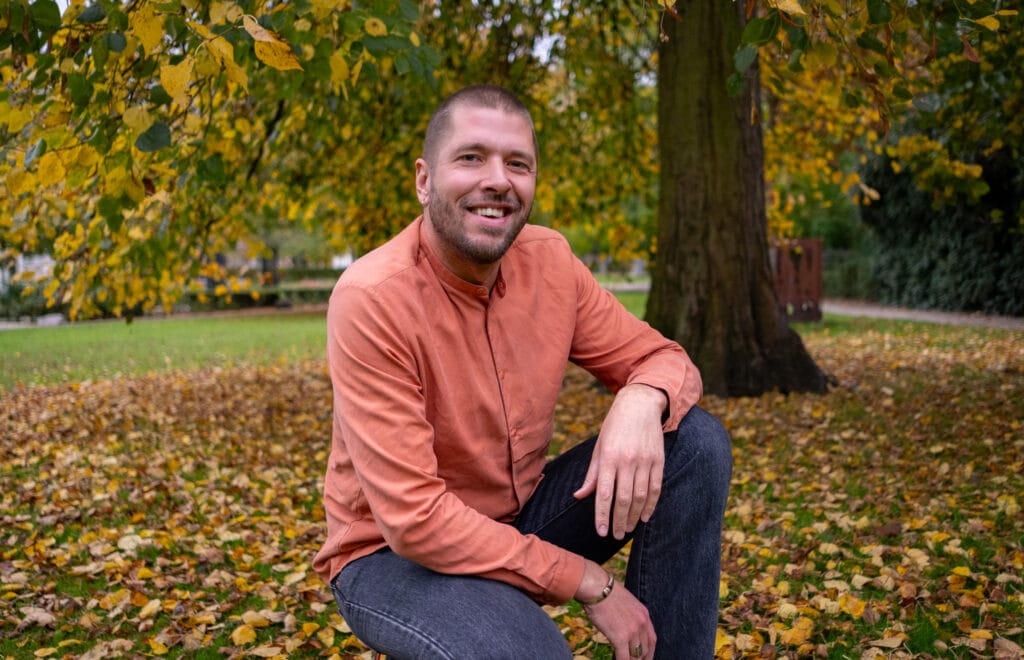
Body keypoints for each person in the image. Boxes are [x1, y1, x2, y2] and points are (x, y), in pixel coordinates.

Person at [313, 84, 732, 660]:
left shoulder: (550, 262)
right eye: (470, 158)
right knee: (531, 652)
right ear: (424, 180)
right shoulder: (373, 298)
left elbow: (664, 360)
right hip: (391, 557)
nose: (498, 180)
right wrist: (592, 582)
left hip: (520, 518)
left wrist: (640, 398)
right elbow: (415, 521)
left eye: (518, 164)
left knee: (695, 444)